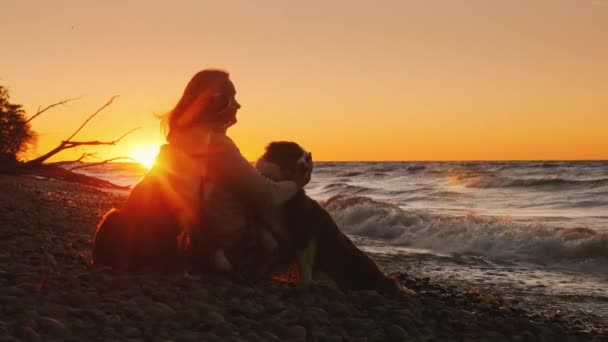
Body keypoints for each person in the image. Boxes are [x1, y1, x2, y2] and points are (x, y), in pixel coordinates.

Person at [93, 69, 297, 274]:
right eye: (231, 97)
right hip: (176, 251)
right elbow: (267, 194)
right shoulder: (213, 143)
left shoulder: (179, 140)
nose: (238, 104)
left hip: (146, 245)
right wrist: (297, 183)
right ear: (217, 101)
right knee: (289, 214)